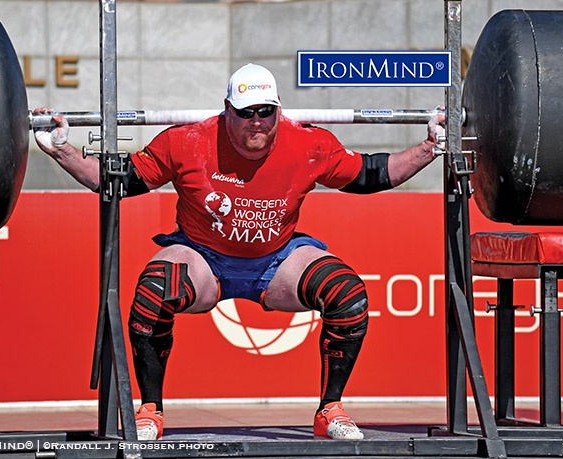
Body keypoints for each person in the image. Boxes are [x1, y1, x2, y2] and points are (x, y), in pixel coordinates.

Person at [33, 63, 445, 441]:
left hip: (277, 261)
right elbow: (117, 181)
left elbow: (374, 173)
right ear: (226, 109)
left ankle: (329, 411)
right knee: (155, 288)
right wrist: (60, 149)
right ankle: (150, 411)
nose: (256, 122)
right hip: (201, 258)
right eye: (245, 112)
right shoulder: (186, 142)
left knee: (348, 294)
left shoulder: (309, 144)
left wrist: (430, 147)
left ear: (278, 111)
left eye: (265, 111)